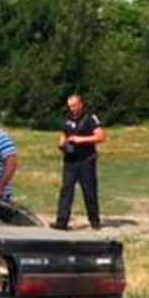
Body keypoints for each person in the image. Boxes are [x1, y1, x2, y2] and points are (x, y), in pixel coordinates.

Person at [53, 93, 106, 229]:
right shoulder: (67, 119)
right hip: (70, 160)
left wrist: (81, 140)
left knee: (89, 191)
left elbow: (100, 136)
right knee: (66, 190)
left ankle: (94, 221)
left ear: (81, 104)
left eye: (75, 106)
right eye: (70, 106)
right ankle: (62, 221)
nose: (72, 109)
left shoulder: (90, 118)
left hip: (86, 160)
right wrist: (62, 145)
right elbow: (64, 134)